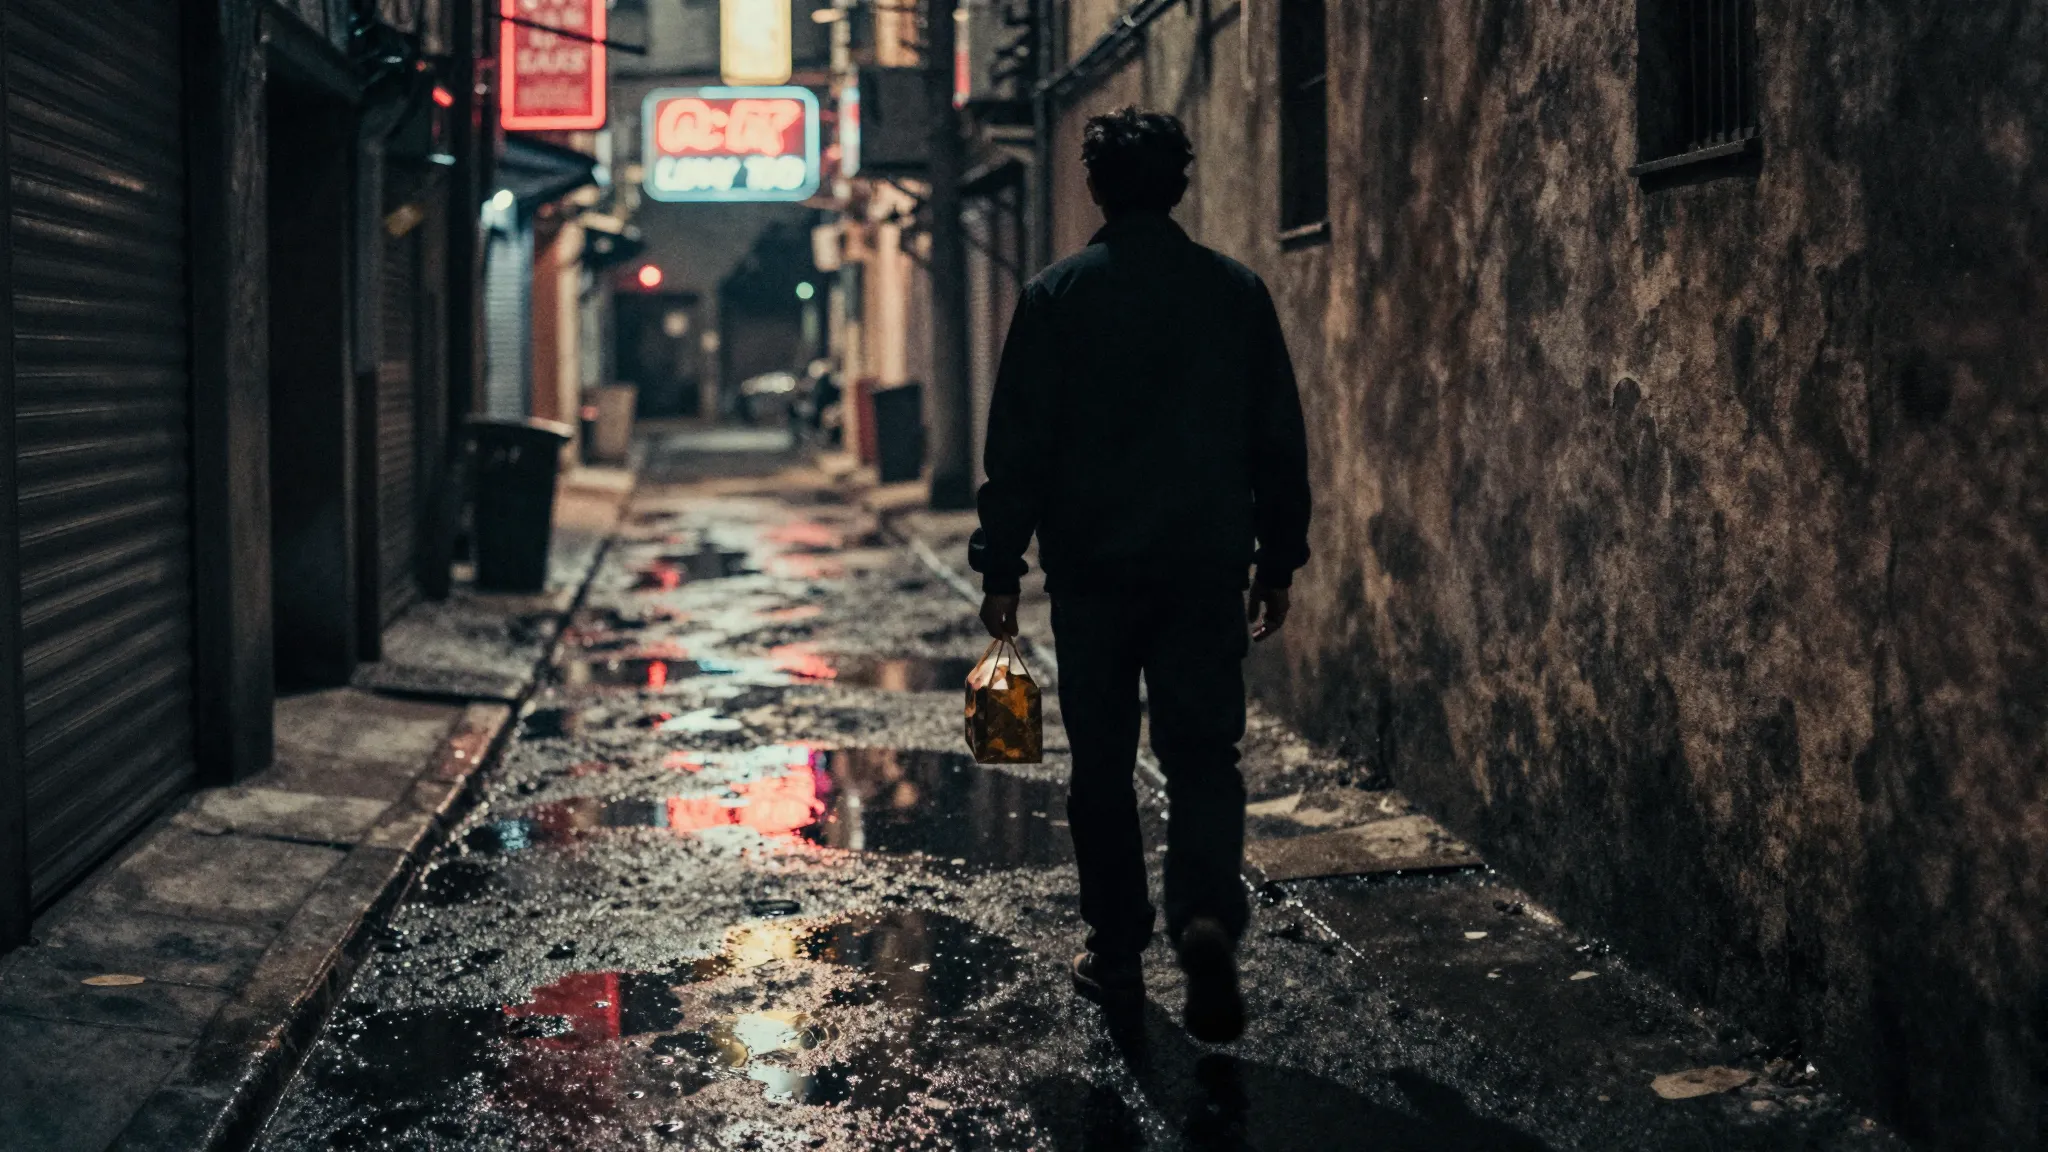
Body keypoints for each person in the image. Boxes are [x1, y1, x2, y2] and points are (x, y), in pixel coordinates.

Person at [969, 107, 1311, 1044]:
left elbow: (1020, 447)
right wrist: (1276, 557)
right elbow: (1277, 438)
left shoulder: (1056, 297)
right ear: (1180, 186)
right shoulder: (1235, 294)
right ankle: (1204, 914)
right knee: (1204, 754)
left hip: (1094, 573)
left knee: (1104, 764)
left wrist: (1003, 566)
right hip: (1203, 564)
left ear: (1095, 186)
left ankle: (1117, 948)